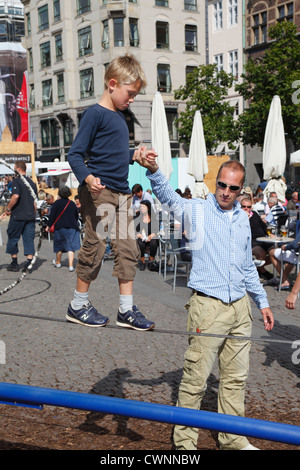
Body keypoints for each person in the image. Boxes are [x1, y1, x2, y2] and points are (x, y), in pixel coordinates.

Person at [134, 153, 274, 451]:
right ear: (215, 183)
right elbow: (169, 199)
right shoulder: (197, 210)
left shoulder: (243, 220)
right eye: (221, 185)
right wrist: (156, 170)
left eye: (233, 188)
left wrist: (262, 302)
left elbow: (248, 266)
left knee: (236, 379)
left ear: (241, 190)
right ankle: (185, 446)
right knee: (195, 380)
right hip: (207, 307)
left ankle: (232, 438)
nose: (225, 191)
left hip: (240, 307)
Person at [66, 54, 155, 331]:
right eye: (130, 94)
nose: (132, 99)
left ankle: (126, 310)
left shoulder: (120, 117)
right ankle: (78, 305)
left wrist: (135, 155)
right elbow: (76, 154)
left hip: (122, 192)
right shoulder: (94, 114)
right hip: (100, 191)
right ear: (112, 84)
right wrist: (88, 177)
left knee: (128, 249)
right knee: (95, 245)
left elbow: (113, 154)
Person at [0, 161, 37, 272]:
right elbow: (35, 203)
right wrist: (33, 215)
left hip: (18, 216)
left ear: (18, 169)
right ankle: (28, 264)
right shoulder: (32, 183)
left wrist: (8, 209)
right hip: (30, 216)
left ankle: (14, 262)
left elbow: (15, 196)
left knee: (13, 237)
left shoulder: (17, 181)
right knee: (29, 239)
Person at [46, 185, 81, 272]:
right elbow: (76, 216)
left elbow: (52, 216)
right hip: (72, 227)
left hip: (60, 227)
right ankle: (71, 266)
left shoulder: (56, 204)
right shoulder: (72, 203)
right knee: (71, 247)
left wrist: (48, 226)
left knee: (59, 246)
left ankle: (58, 262)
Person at [240, 196, 274, 281]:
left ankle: (257, 268)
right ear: (240, 207)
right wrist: (245, 219)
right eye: (244, 206)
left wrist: (270, 233)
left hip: (263, 239)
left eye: (248, 207)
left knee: (275, 252)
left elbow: (263, 226)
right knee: (261, 254)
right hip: (252, 242)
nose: (246, 208)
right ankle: (263, 271)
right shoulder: (238, 217)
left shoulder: (254, 214)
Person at [135, 199, 159, 271]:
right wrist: (138, 234)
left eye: (143, 207)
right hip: (141, 236)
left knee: (154, 242)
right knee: (140, 243)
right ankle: (142, 260)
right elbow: (135, 229)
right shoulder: (138, 216)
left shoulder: (153, 217)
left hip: (151, 236)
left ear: (148, 207)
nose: (142, 208)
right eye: (141, 207)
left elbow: (156, 230)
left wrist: (150, 236)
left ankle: (151, 260)